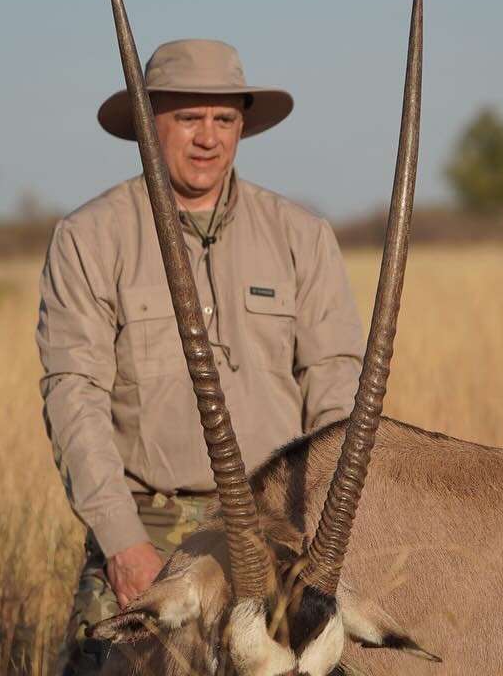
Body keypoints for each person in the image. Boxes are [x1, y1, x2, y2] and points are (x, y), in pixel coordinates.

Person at [37, 38, 366, 675]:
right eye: (188, 117)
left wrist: (324, 536)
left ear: (242, 126)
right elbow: (72, 394)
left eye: (224, 118)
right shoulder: (89, 237)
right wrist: (122, 541)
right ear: (147, 124)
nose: (208, 138)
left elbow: (335, 385)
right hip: (151, 523)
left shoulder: (303, 236)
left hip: (279, 527)